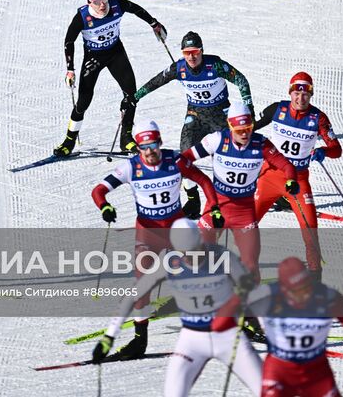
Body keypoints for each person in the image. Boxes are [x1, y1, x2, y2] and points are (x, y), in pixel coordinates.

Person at [91, 120, 224, 358]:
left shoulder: (175, 160)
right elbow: (99, 190)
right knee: (141, 284)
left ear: (160, 143)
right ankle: (140, 340)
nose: (150, 151)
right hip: (148, 233)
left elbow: (204, 182)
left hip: (177, 229)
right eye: (144, 147)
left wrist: (214, 207)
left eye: (153, 145)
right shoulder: (131, 167)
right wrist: (105, 206)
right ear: (138, 149)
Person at [92, 218, 262, 394]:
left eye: (196, 250)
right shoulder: (169, 261)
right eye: (185, 253)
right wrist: (109, 336)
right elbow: (132, 296)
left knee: (268, 390)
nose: (191, 258)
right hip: (192, 341)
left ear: (201, 241)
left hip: (228, 336)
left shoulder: (221, 255)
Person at [213, 256, 343, 396]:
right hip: (279, 374)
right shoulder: (266, 297)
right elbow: (219, 325)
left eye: (307, 287)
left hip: (316, 373)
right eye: (297, 290)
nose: (304, 294)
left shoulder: (327, 298)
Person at [134, 31, 254, 220]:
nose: (191, 56)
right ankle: (193, 199)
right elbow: (156, 81)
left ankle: (255, 190)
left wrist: (248, 107)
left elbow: (241, 80)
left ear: (202, 51)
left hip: (220, 115)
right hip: (195, 115)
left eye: (195, 52)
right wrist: (134, 97)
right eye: (187, 52)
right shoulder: (179, 68)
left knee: (233, 157)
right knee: (184, 156)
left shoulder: (215, 65)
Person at [183, 99, 298, 282]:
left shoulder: (261, 143)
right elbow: (186, 158)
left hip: (244, 213)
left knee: (250, 264)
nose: (245, 135)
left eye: (248, 129)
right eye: (239, 131)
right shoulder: (217, 139)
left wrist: (291, 180)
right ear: (230, 127)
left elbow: (286, 165)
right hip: (217, 207)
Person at [53, 0, 167, 157]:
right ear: (89, 2)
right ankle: (69, 140)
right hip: (93, 58)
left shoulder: (116, 3)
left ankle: (126, 138)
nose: (102, 5)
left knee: (131, 95)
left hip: (116, 53)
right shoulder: (83, 17)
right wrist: (70, 69)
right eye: (96, 2)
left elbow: (136, 9)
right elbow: (69, 41)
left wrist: (154, 23)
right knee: (84, 101)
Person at [253, 72, 342, 276]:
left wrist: (323, 151)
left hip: (299, 180)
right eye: (297, 93)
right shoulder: (277, 109)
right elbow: (250, 127)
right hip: (270, 176)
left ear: (310, 95)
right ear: (290, 92)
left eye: (305, 94)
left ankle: (315, 281)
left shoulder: (318, 118)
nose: (300, 98)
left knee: (310, 231)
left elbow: (337, 149)